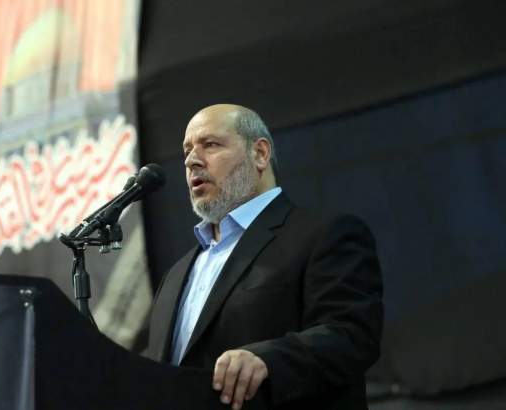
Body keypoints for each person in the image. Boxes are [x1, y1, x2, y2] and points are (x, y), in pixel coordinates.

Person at [147, 104, 383, 410]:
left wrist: (268, 359)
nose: (192, 160)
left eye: (210, 145)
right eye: (187, 151)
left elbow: (351, 335)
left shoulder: (323, 235)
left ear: (259, 153)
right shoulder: (176, 274)